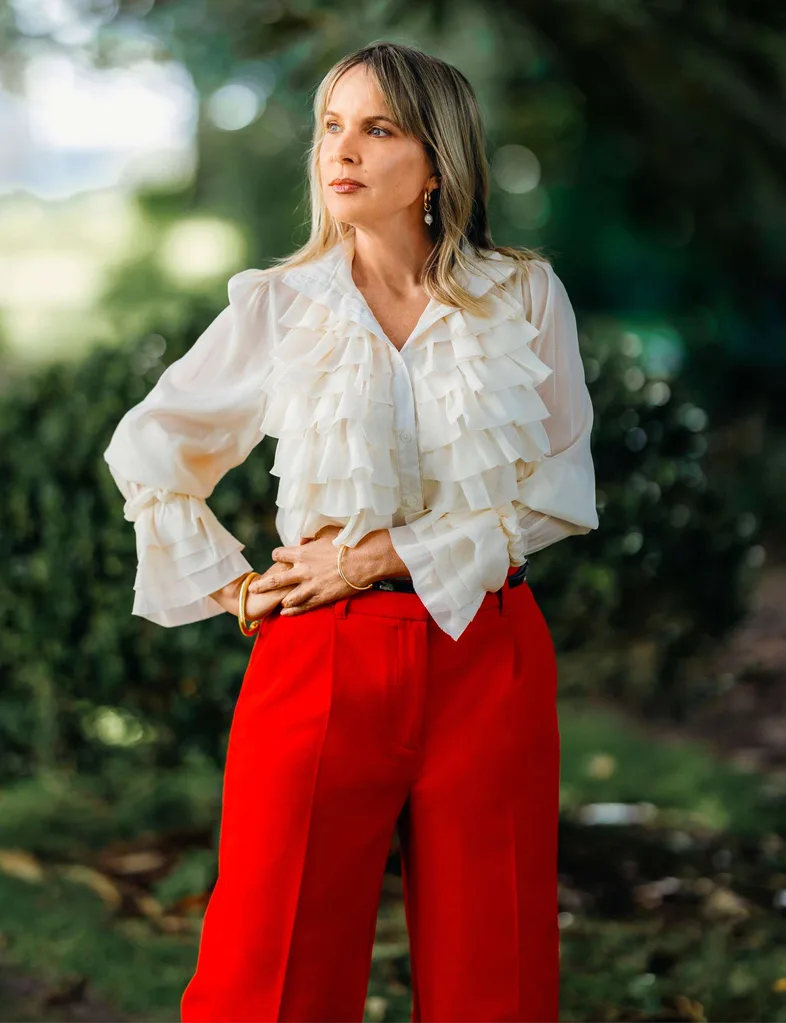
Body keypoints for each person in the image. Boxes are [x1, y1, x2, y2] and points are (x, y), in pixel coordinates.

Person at [103, 39, 599, 1023]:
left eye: (379, 128)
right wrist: (232, 583)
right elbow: (153, 444)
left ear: (440, 160)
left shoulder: (527, 294)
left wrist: (375, 556)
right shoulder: (282, 305)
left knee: (494, 978)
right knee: (268, 970)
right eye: (333, 126)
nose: (345, 150)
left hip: (488, 656)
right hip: (318, 660)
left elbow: (559, 491)